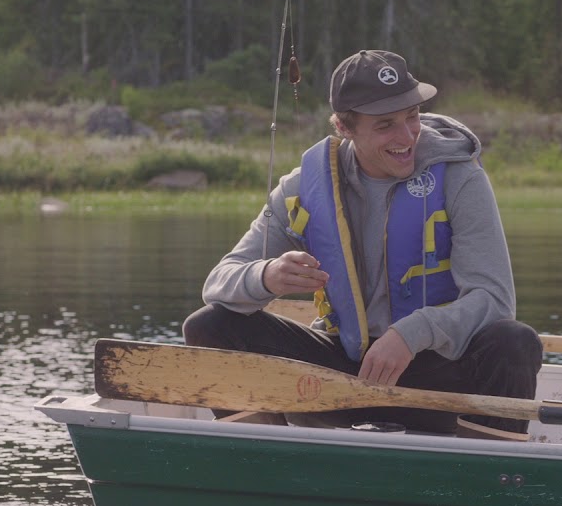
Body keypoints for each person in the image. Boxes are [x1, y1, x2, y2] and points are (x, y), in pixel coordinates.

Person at [183, 49, 541, 437]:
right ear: (344, 127)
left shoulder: (460, 178)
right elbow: (218, 283)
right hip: (337, 383)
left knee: (514, 342)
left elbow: (494, 298)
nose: (406, 136)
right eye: (386, 125)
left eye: (412, 117)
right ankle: (266, 458)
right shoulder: (302, 188)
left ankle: (486, 482)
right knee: (210, 326)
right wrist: (266, 275)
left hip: (439, 384)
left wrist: (411, 334)